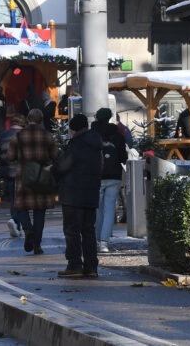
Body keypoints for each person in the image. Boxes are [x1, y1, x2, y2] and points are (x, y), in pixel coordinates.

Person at [52, 113, 103, 279]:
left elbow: (63, 166)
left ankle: (74, 265)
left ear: (73, 130)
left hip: (73, 194)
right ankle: (91, 266)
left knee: (72, 231)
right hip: (91, 193)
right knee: (88, 231)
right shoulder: (96, 144)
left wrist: (52, 168)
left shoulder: (76, 144)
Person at [7, 108, 57, 255]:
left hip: (24, 176)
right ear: (41, 120)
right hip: (42, 176)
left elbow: (10, 157)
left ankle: (28, 229)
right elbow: (55, 155)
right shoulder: (47, 136)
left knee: (21, 207)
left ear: (28, 119)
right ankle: (37, 245)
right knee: (40, 212)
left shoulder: (18, 136)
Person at [93, 107, 127, 253]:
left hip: (97, 175)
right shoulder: (117, 135)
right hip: (114, 175)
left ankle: (95, 240)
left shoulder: (93, 134)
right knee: (110, 209)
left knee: (98, 209)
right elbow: (123, 157)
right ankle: (104, 242)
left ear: (97, 118)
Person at [0, 114, 25, 237]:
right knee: (21, 199)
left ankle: (15, 223)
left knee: (13, 199)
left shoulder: (3, 135)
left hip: (8, 171)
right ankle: (16, 222)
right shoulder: (24, 135)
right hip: (21, 171)